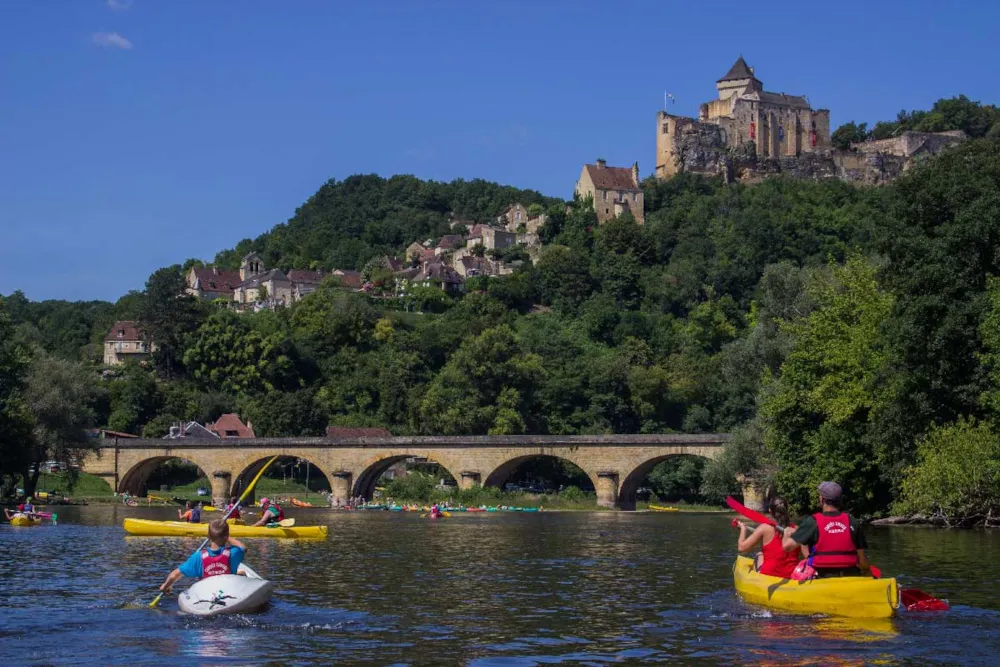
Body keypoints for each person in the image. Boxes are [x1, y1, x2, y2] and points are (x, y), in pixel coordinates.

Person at [782, 481, 870, 577]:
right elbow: (862, 561)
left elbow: (787, 547)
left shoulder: (812, 521)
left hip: (822, 577)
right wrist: (868, 573)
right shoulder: (852, 521)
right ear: (840, 500)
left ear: (822, 499)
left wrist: (786, 534)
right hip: (850, 576)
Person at [158, 519, 247, 594]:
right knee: (242, 573)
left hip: (208, 593)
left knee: (241, 573)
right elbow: (243, 547)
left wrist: (165, 586)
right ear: (226, 536)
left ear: (208, 536)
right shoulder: (234, 553)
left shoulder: (198, 557)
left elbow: (175, 574)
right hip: (229, 591)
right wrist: (228, 537)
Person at [735, 496, 803, 579]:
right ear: (786, 509)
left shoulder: (764, 528)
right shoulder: (797, 529)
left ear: (770, 511)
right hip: (791, 577)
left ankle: (756, 580)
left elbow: (742, 548)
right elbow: (806, 555)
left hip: (769, 577)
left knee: (759, 555)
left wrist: (743, 529)